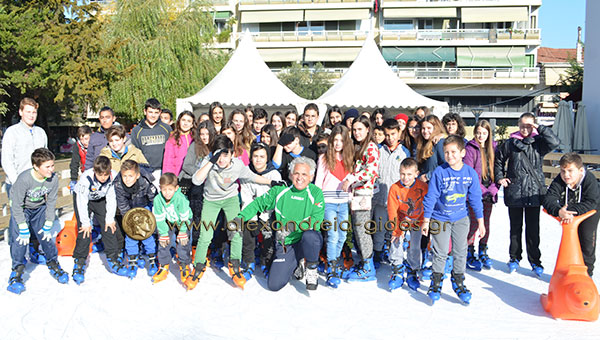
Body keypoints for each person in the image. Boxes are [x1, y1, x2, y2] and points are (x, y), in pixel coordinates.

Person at [184, 135, 283, 290]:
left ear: (231, 154)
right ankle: (198, 266)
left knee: (236, 231)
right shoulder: (209, 162)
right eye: (218, 155)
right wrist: (211, 161)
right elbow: (196, 180)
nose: (222, 160)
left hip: (230, 199)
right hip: (211, 200)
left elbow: (253, 176)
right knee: (206, 234)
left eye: (225, 155)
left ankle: (235, 263)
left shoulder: (237, 164)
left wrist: (271, 181)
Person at [237, 157, 324, 291]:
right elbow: (257, 204)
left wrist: (292, 227)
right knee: (274, 284)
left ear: (311, 177)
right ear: (290, 174)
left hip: (304, 239)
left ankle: (311, 268)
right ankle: (297, 262)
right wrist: (240, 218)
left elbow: (316, 221)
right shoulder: (280, 191)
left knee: (311, 236)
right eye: (296, 173)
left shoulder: (316, 193)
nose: (300, 178)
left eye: (304, 174)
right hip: (286, 243)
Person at [421, 136, 485, 304]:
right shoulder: (439, 172)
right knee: (440, 252)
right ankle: (436, 282)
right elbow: (431, 196)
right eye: (446, 152)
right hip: (439, 218)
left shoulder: (469, 173)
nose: (450, 156)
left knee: (460, 251)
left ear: (462, 153)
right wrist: (426, 221)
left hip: (460, 218)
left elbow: (475, 198)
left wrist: (481, 221)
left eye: (453, 152)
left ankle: (458, 281)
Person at [494, 112, 560, 276]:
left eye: (528, 125)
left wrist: (541, 129)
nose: (525, 129)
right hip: (515, 191)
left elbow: (555, 142)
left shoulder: (539, 143)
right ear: (518, 124)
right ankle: (514, 258)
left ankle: (535, 261)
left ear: (534, 126)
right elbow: (499, 159)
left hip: (533, 192)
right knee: (515, 228)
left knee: (533, 229)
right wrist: (500, 177)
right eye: (522, 125)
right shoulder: (510, 143)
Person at [7, 148, 65, 294]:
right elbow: (17, 204)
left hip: (39, 209)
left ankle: (53, 262)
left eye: (52, 165)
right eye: (47, 166)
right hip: (22, 209)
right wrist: (22, 225)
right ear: (36, 166)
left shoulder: (53, 179)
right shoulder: (24, 179)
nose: (51, 169)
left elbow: (51, 202)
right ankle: (17, 271)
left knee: (45, 237)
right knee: (19, 240)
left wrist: (49, 222)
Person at [2, 97, 48, 262]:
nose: (31, 115)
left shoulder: (40, 132)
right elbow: (6, 160)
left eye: (34, 112)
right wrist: (17, 182)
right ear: (21, 112)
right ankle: (18, 260)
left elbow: (45, 159)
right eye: (28, 111)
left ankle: (34, 250)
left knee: (37, 220)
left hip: (37, 185)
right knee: (18, 222)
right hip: (17, 185)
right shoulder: (12, 132)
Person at [543, 152, 600, 277]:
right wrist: (559, 211)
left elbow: (591, 202)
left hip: (590, 212)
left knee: (586, 240)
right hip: (567, 212)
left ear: (580, 170)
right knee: (569, 241)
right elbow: (549, 198)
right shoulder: (560, 180)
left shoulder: (589, 180)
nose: (566, 175)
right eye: (563, 171)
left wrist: (569, 211)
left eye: (570, 170)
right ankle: (566, 272)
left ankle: (587, 274)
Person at [72, 156, 127, 283]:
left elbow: (112, 198)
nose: (103, 177)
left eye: (105, 174)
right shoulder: (86, 178)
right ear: (94, 171)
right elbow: (82, 202)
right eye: (100, 174)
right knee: (84, 229)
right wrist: (85, 222)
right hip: (83, 199)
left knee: (109, 226)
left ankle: (113, 258)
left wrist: (109, 219)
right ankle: (79, 261)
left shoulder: (113, 176)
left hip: (100, 199)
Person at [342, 115, 380, 281]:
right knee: (358, 229)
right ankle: (365, 261)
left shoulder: (371, 147)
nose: (357, 133)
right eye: (354, 129)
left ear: (367, 130)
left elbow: (371, 170)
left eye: (360, 129)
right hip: (356, 193)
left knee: (362, 230)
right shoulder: (358, 146)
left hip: (364, 194)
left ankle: (368, 267)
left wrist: (351, 179)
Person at [314, 125, 353, 288]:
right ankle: (331, 267)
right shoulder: (324, 158)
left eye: (341, 140)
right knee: (333, 236)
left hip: (343, 203)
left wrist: (350, 191)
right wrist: (317, 203)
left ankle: (335, 262)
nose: (338, 143)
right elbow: (318, 182)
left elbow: (353, 177)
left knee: (342, 236)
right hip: (328, 203)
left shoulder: (350, 158)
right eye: (335, 140)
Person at [239, 143, 282, 280]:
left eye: (262, 157)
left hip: (268, 213)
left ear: (267, 158)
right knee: (247, 230)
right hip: (252, 210)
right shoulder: (246, 172)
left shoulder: (274, 174)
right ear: (251, 157)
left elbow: (275, 198)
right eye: (255, 156)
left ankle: (265, 261)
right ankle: (249, 261)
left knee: (268, 233)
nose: (258, 160)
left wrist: (264, 217)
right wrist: (252, 219)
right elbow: (246, 198)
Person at [372, 119, 410, 269]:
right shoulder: (379, 151)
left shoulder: (404, 152)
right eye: (387, 134)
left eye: (393, 134)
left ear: (399, 133)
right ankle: (377, 253)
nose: (390, 138)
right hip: (381, 198)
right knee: (380, 228)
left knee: (394, 229)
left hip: (397, 200)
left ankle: (393, 255)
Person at [387, 158, 428, 291]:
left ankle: (412, 270)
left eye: (409, 174)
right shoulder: (395, 188)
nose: (405, 178)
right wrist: (396, 230)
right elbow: (392, 210)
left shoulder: (423, 187)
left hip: (417, 220)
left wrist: (424, 223)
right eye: (403, 174)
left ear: (416, 174)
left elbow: (427, 206)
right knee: (396, 241)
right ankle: (397, 270)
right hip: (401, 219)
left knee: (415, 246)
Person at [463, 119, 499, 270]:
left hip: (489, 193)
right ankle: (469, 251)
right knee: (473, 223)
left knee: (486, 222)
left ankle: (483, 249)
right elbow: (470, 173)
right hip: (475, 193)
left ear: (489, 134)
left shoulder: (494, 148)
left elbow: (498, 170)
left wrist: (493, 189)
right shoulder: (470, 148)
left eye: (484, 133)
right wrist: (483, 191)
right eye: (478, 133)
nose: (481, 136)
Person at [113, 160, 159, 279]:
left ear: (137, 175)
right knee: (131, 234)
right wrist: (131, 221)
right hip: (130, 210)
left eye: (130, 176)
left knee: (146, 233)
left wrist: (149, 216)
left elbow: (154, 199)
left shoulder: (146, 181)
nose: (127, 179)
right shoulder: (118, 184)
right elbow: (122, 205)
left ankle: (152, 257)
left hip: (145, 207)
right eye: (125, 176)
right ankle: (132, 258)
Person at [151, 173, 193, 283]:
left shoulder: (180, 199)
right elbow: (159, 218)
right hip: (168, 221)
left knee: (182, 242)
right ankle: (164, 265)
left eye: (170, 189)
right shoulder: (158, 200)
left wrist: (183, 231)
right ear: (160, 188)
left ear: (176, 188)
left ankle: (184, 264)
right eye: (164, 189)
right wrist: (164, 234)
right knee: (163, 242)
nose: (167, 193)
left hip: (184, 221)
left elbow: (185, 216)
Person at [131, 98, 173, 188]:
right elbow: (135, 153)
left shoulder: (167, 128)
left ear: (160, 113)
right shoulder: (136, 131)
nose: (153, 115)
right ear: (145, 111)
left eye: (156, 112)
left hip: (163, 170)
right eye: (150, 112)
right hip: (145, 172)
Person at [162, 110, 195, 176]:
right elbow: (168, 161)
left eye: (189, 121)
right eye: (183, 120)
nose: (185, 123)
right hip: (176, 175)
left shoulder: (195, 138)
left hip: (192, 175)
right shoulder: (172, 139)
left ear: (192, 124)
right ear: (179, 121)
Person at [417, 115, 445, 182]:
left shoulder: (439, 143)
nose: (425, 131)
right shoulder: (423, 143)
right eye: (423, 128)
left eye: (429, 128)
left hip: (437, 185)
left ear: (435, 128)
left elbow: (447, 166)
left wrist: (428, 176)